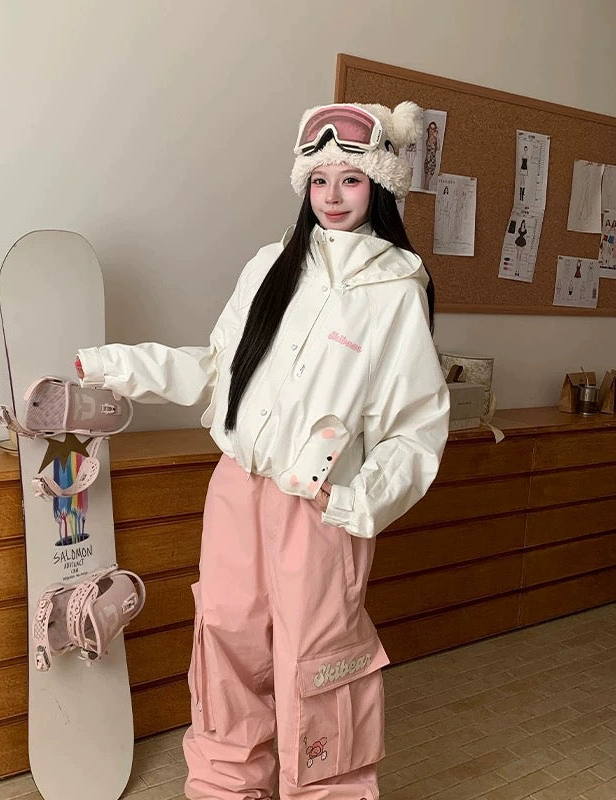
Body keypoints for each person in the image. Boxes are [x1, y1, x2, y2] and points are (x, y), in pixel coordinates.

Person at [75, 101, 450, 800]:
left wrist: (358, 499)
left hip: (318, 504)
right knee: (226, 638)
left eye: (351, 180)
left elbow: (417, 425)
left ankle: (331, 792)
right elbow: (217, 369)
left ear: (378, 186)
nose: (332, 196)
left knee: (320, 659)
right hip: (237, 485)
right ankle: (225, 787)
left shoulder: (395, 289)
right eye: (319, 180)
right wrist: (112, 366)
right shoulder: (270, 267)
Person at [422, 120, 439, 191]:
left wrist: (437, 137)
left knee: (426, 183)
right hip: (427, 162)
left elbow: (438, 148)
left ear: (435, 130)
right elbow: (427, 152)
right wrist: (425, 161)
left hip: (432, 163)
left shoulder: (435, 138)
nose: (431, 130)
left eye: (433, 129)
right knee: (426, 184)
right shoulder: (428, 138)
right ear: (428, 129)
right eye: (430, 128)